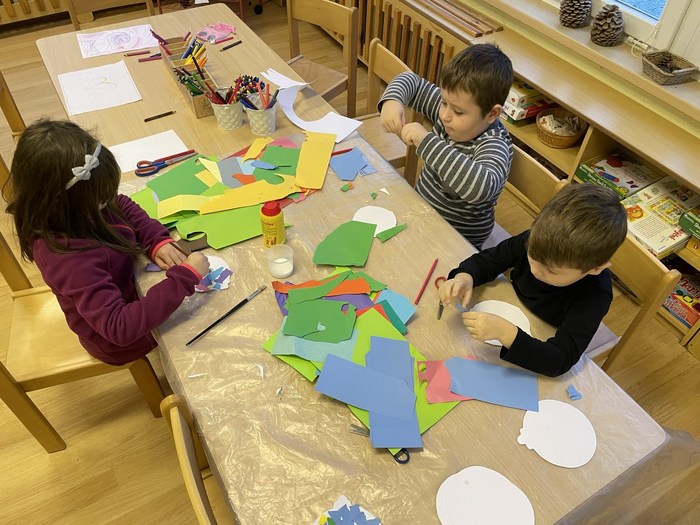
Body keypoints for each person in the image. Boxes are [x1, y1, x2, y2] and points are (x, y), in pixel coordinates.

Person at [3, 119, 209, 366]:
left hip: (133, 290)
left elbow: (120, 204)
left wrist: (155, 240)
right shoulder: (69, 260)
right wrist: (185, 278)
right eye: (101, 201)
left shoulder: (73, 208)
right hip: (122, 342)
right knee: (205, 338)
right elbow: (119, 328)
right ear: (62, 202)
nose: (107, 202)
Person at [438, 184, 627, 377]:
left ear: (595, 269)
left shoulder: (595, 296)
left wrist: (506, 334)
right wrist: (465, 276)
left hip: (541, 335)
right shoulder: (537, 241)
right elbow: (491, 259)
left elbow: (560, 359)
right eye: (532, 257)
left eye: (550, 271)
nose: (535, 270)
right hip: (509, 302)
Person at [379, 43, 514, 249]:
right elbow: (411, 80)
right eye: (443, 102)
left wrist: (426, 142)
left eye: (458, 112)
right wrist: (392, 101)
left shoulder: (494, 143)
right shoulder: (452, 107)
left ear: (492, 114)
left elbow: (480, 188)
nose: (444, 115)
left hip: (457, 242)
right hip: (421, 214)